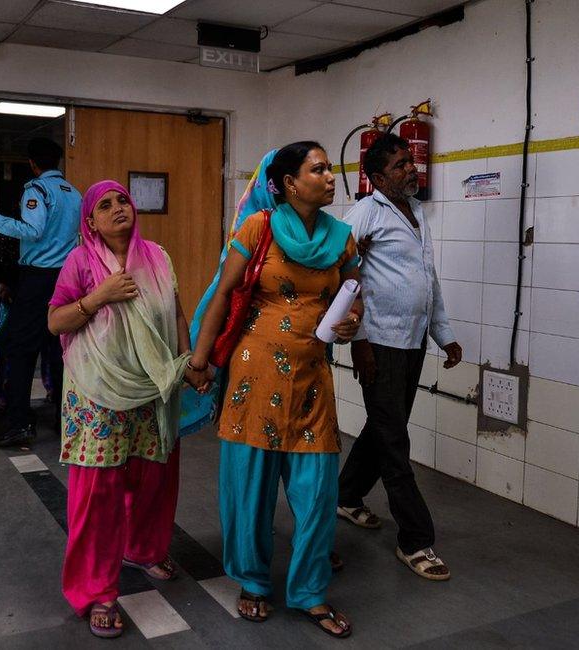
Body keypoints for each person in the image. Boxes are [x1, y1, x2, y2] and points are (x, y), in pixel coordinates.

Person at [188, 142, 362, 639]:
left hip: (312, 379)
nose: (331, 177)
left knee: (316, 492)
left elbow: (354, 297)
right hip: (254, 376)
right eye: (319, 169)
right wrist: (200, 361)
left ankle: (310, 591)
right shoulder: (258, 229)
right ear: (289, 182)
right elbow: (224, 293)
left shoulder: (343, 239)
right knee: (251, 487)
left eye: (330, 168)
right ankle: (252, 581)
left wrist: (352, 321)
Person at [47, 180, 206, 638]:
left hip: (153, 385)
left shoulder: (157, 255)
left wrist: (189, 361)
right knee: (98, 493)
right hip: (97, 389)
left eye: (122, 200)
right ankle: (97, 590)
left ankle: (143, 547)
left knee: (155, 475)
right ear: (91, 222)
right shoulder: (80, 261)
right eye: (105, 205)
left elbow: (176, 313)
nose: (118, 208)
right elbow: (56, 320)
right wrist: (99, 297)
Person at [337, 132, 462, 581]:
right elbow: (343, 279)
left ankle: (346, 495)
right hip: (380, 342)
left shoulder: (416, 212)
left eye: (410, 161)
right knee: (393, 440)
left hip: (411, 341)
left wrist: (443, 334)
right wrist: (360, 341)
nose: (411, 169)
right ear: (375, 178)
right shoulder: (364, 214)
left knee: (384, 427)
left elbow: (427, 279)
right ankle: (416, 539)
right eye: (399, 165)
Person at [0, 138, 81, 448]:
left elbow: (32, 231)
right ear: (58, 162)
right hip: (66, 279)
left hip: (38, 280)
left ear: (33, 163)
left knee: (17, 349)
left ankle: (20, 422)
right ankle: (66, 422)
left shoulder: (37, 190)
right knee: (60, 352)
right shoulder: (75, 194)